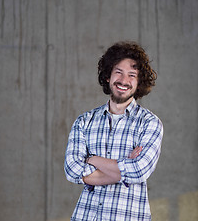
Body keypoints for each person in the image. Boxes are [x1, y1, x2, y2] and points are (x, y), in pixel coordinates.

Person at [64, 41, 163, 221]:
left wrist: (91, 160)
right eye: (118, 72)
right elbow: (71, 170)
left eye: (132, 75)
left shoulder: (149, 123)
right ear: (108, 76)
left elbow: (139, 171)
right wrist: (124, 168)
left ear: (139, 82)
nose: (124, 81)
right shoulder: (84, 121)